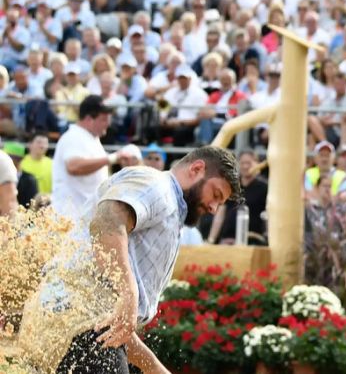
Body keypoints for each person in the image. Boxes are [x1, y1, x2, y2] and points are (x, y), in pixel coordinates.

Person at [38, 146, 241, 374]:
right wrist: (129, 292)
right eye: (215, 195)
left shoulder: (169, 207)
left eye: (220, 203)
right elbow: (106, 221)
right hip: (74, 322)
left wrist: (154, 367)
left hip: (80, 324)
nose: (214, 208)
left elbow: (112, 324)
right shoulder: (158, 185)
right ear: (196, 169)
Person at [50, 95, 135, 222]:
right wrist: (111, 158)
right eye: (104, 119)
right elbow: (74, 166)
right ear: (89, 119)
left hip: (84, 218)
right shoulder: (74, 136)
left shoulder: (91, 138)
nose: (108, 123)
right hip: (69, 219)